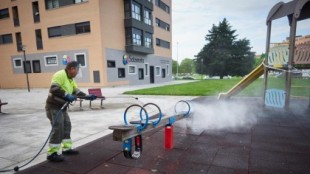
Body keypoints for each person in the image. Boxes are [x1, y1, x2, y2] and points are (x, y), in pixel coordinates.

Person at [45, 61, 97, 162]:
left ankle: (66, 148)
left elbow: (76, 91)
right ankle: (52, 153)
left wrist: (87, 96)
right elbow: (53, 88)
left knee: (67, 126)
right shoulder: (60, 74)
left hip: (62, 107)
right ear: (72, 69)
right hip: (54, 107)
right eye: (77, 70)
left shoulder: (70, 79)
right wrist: (66, 95)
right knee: (58, 128)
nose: (77, 72)